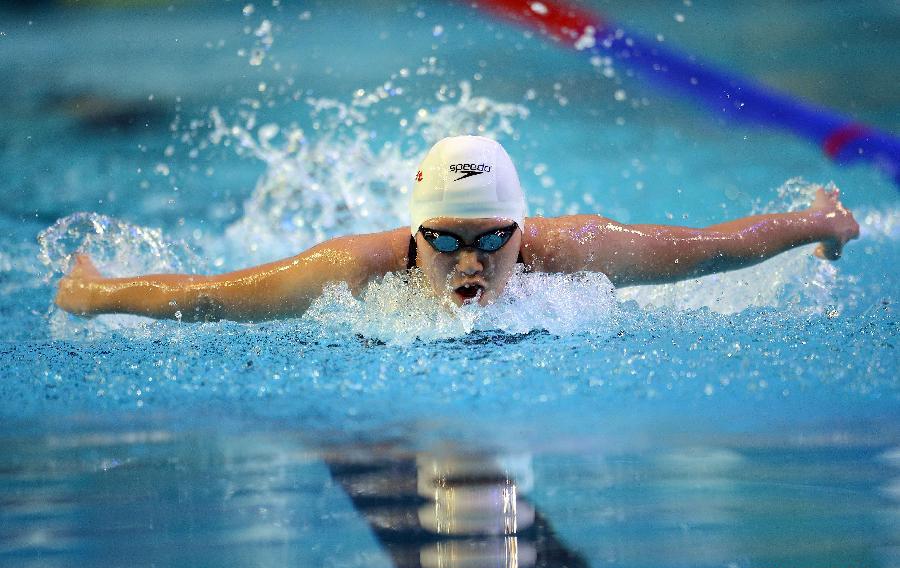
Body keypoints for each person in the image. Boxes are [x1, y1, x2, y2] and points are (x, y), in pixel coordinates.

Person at [54, 135, 860, 322]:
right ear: (413, 236)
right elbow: (210, 298)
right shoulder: (357, 268)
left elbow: (714, 245)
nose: (468, 259)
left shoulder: (574, 250)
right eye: (443, 238)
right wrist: (92, 293)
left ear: (521, 228)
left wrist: (820, 222)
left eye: (490, 239)